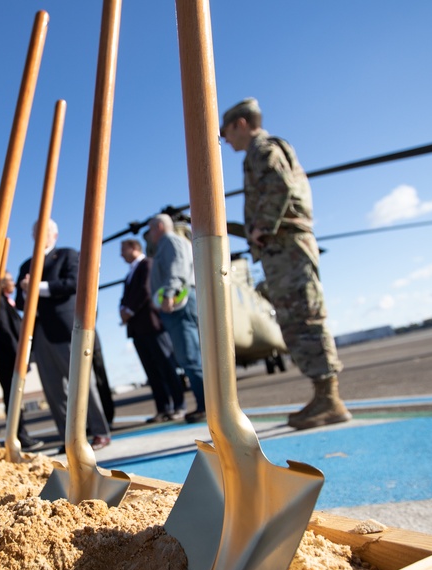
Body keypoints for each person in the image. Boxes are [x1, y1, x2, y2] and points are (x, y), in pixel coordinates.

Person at [219, 97, 351, 429]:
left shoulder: (263, 150)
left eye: (226, 132)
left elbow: (280, 185)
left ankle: (329, 398)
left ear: (241, 124)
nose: (226, 139)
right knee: (294, 319)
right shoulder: (257, 154)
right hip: (280, 249)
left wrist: (262, 226)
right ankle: (323, 395)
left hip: (286, 247)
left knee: (304, 317)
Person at [15, 219, 112, 450]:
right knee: (54, 391)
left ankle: (99, 432)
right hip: (40, 333)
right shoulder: (26, 265)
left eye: (44, 231)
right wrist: (27, 292)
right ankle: (70, 439)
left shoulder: (67, 255)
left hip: (65, 329)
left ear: (55, 235)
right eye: (36, 230)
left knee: (82, 383)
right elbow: (20, 301)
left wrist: (37, 287)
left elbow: (74, 283)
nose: (39, 235)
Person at [119, 238, 187, 422]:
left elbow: (145, 290)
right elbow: (126, 296)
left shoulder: (147, 264)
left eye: (123, 249)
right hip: (138, 329)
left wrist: (129, 311)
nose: (120, 254)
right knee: (152, 371)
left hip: (152, 325)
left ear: (134, 248)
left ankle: (179, 405)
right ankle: (163, 408)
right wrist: (122, 310)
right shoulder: (129, 273)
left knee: (166, 366)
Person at [147, 214, 206, 423]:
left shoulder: (171, 242)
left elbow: (178, 267)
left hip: (179, 303)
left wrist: (170, 293)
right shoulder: (166, 244)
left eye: (151, 230)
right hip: (175, 306)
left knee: (190, 356)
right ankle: (205, 405)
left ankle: (207, 406)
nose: (150, 236)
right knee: (188, 356)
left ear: (160, 227)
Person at [0, 271, 45, 451]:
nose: (14, 283)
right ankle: (18, 435)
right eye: (10, 280)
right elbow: (6, 331)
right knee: (12, 395)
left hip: (10, 356)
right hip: (7, 358)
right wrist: (20, 355)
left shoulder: (6, 301)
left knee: (14, 395)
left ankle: (19, 434)